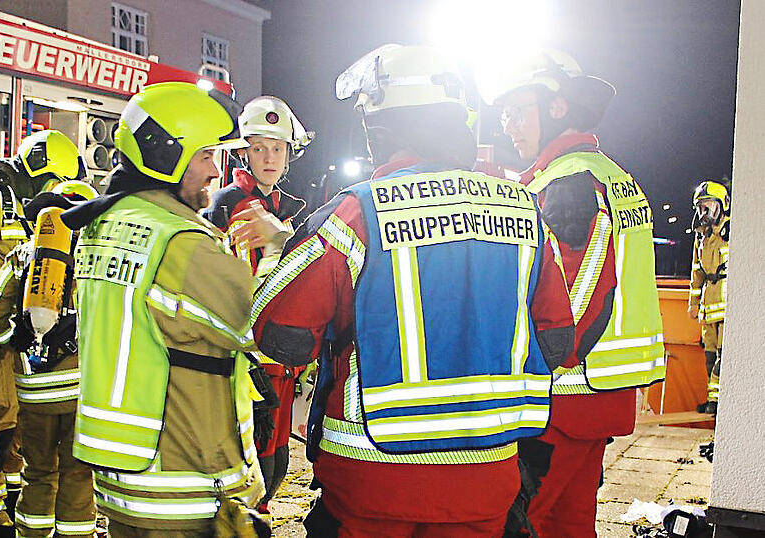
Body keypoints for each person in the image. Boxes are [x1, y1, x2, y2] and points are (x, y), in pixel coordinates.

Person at [252, 44, 575, 537]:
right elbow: (557, 342)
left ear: (381, 129)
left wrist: (280, 249)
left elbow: (280, 333)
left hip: (371, 480)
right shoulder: (523, 209)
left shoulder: (360, 212)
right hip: (487, 481)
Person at [60, 82, 266, 537]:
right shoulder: (181, 242)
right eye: (205, 155)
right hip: (183, 477)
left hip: (122, 474)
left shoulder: (107, 221)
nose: (216, 170)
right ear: (165, 155)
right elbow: (268, 325)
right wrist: (278, 248)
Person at [480, 49, 666, 537]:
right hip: (596, 393)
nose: (509, 126)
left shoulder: (567, 182)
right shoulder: (609, 175)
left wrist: (527, 369)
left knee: (526, 522)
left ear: (557, 108)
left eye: (519, 111)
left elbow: (575, 298)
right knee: (571, 522)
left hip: (560, 394)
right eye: (504, 116)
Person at [0, 129, 86, 536]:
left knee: (21, 427)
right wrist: (22, 285)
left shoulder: (30, 210)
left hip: (23, 335)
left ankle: (16, 503)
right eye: (54, 184)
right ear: (38, 171)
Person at [203, 95, 312, 513]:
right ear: (244, 153)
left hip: (278, 358)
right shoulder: (233, 204)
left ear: (288, 155)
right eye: (259, 147)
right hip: (248, 359)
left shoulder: (283, 209)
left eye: (277, 148)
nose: (269, 157)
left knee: (276, 463)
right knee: (254, 469)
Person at [0, 181, 100, 537]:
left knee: (37, 472)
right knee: (77, 474)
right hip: (80, 390)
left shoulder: (23, 257)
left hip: (34, 392)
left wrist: (14, 342)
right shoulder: (95, 259)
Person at [689, 180, 729, 415]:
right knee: (710, 357)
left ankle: (718, 403)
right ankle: (712, 400)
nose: (703, 213)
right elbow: (697, 272)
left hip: (726, 306)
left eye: (708, 207)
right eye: (700, 208)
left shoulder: (731, 230)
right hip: (708, 306)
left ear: (721, 206)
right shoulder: (701, 237)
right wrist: (693, 304)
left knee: (723, 358)